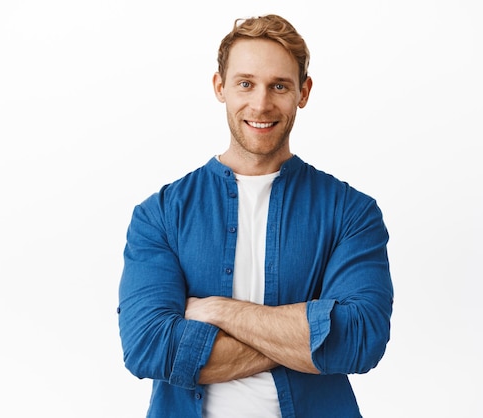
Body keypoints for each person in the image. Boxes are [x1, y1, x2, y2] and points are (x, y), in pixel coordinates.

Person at [117, 14, 393, 418]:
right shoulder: (161, 214)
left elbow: (360, 339)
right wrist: (303, 339)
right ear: (220, 87)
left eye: (279, 86)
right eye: (245, 83)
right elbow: (148, 348)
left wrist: (220, 310)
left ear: (303, 91)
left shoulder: (351, 212)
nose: (261, 103)